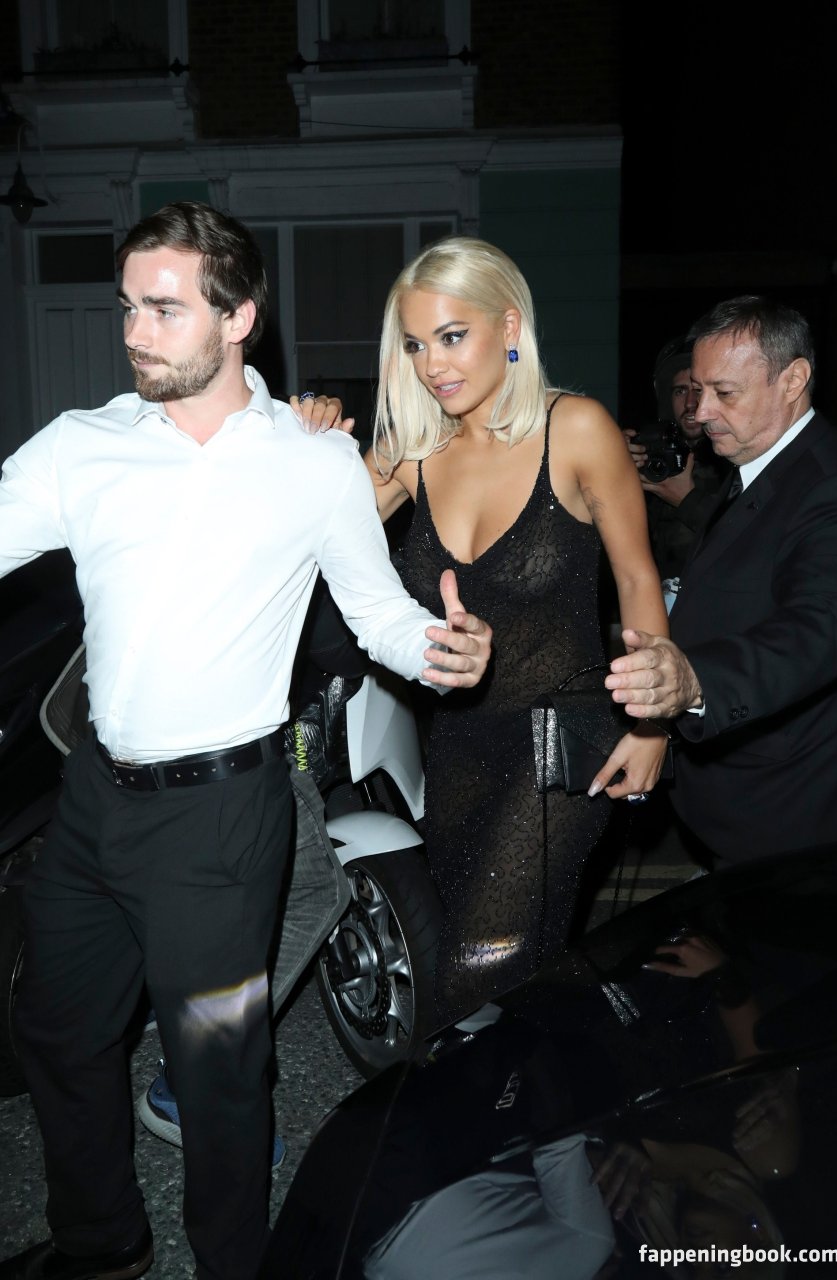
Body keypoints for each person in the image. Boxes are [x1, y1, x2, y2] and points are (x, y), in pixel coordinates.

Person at [0, 202, 493, 1280]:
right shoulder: (81, 447)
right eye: (129, 307)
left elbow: (378, 614)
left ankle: (236, 1266)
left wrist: (440, 650)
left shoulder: (311, 463)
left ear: (238, 319)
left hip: (222, 820)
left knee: (215, 1065)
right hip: (93, 802)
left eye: (164, 309)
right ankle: (101, 1244)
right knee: (57, 1029)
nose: (135, 332)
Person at [360, 236, 669, 1025]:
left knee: (478, 962)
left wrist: (651, 724)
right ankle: (560, 1096)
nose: (432, 364)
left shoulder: (576, 428)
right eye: (414, 345)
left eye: (450, 336)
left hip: (564, 737)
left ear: (507, 326)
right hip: (458, 741)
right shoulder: (412, 450)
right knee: (512, 970)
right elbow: (305, 530)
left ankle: (468, 1102)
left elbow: (636, 579)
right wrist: (298, 436)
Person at [604, 295, 837, 863]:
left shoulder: (833, 484)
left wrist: (695, 682)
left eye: (725, 393)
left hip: (789, 820)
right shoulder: (755, 465)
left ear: (793, 381)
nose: (700, 413)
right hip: (732, 803)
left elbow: (822, 627)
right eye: (697, 390)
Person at [624, 337, 730, 591]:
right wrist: (611, 466)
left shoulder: (736, 458)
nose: (690, 403)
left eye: (698, 390)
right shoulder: (649, 452)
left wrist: (686, 499)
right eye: (680, 391)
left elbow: (752, 539)